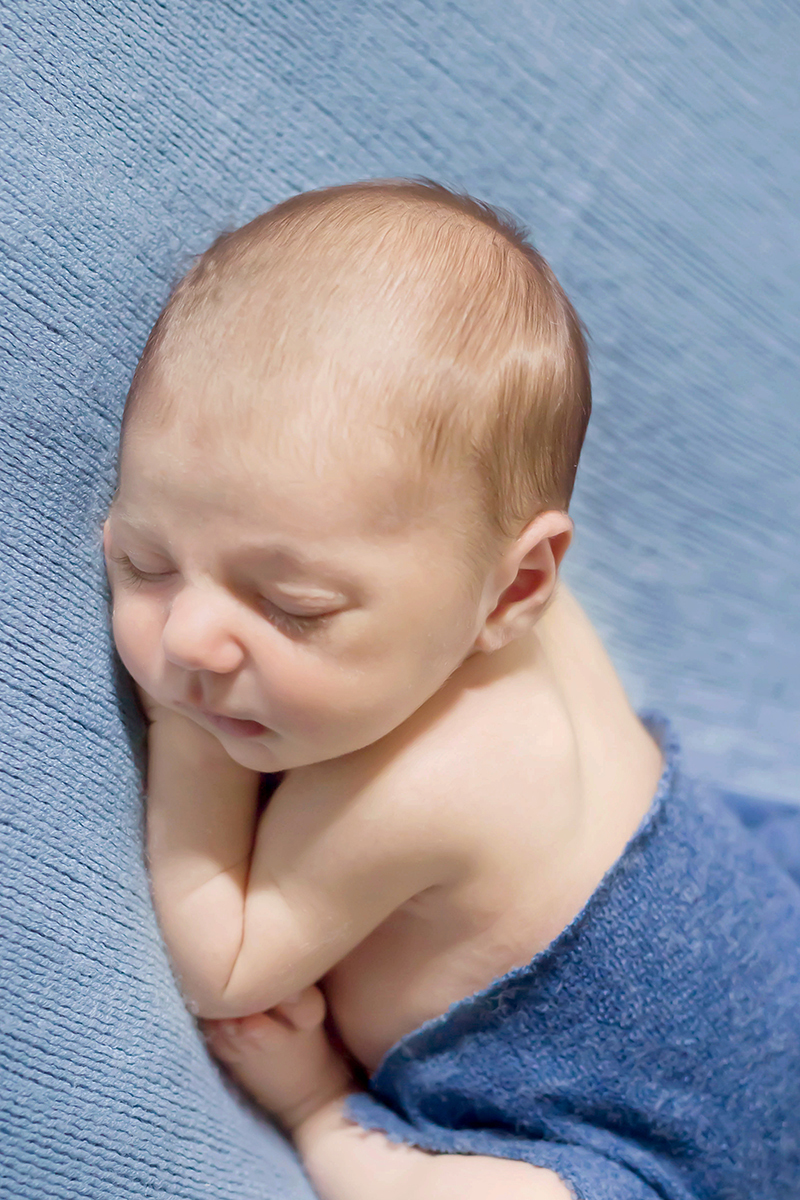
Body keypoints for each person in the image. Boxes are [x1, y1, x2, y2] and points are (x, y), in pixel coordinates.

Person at [104, 180, 800, 1200]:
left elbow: (229, 963)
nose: (194, 638)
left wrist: (179, 728)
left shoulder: (427, 780)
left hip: (609, 1113)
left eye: (290, 605)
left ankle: (329, 1132)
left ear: (511, 586)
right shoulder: (503, 603)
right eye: (146, 558)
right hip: (750, 923)